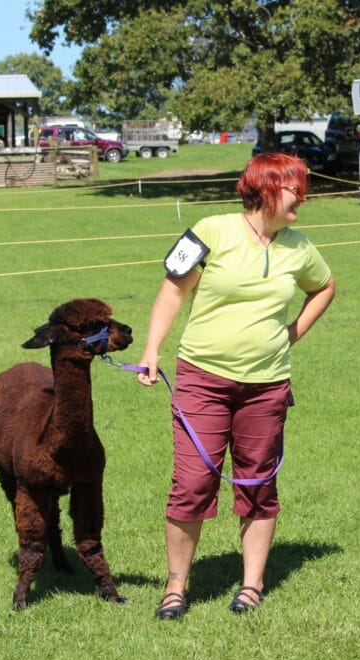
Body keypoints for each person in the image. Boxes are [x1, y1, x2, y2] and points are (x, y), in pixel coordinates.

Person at [137, 153, 335, 618]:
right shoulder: (211, 230)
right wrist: (151, 350)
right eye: (295, 188)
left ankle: (251, 585)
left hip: (267, 387)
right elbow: (172, 289)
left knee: (258, 484)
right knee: (191, 484)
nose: (303, 198)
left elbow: (323, 287)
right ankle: (176, 587)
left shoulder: (299, 247)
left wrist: (292, 334)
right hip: (202, 381)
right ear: (266, 188)